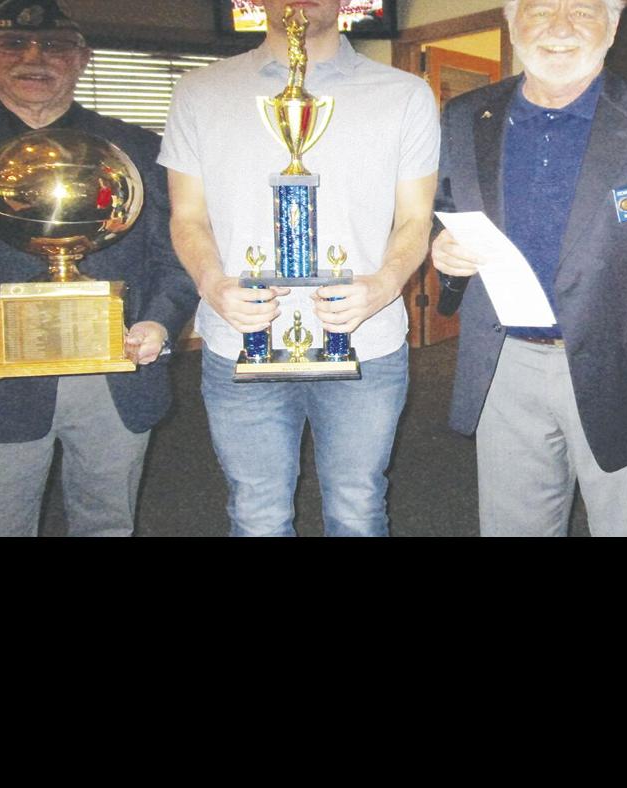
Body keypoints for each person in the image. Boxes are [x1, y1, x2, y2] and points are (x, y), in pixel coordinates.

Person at [0, 0, 198, 537]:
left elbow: (176, 256)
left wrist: (159, 326)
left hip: (117, 366)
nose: (34, 57)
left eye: (55, 45)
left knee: (109, 524)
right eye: (12, 44)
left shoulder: (139, 149)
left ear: (82, 59)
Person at [431, 0, 627, 537]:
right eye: (541, 12)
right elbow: (445, 210)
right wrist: (444, 255)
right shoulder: (465, 114)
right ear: (511, 24)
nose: (560, 29)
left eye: (584, 13)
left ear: (612, 28)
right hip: (504, 365)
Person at [160, 0, 438, 536]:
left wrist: (383, 286)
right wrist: (212, 284)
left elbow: (416, 219)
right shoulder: (200, 91)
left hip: (366, 343)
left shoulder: (405, 94)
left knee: (358, 508)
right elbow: (187, 216)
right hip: (239, 340)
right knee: (257, 514)